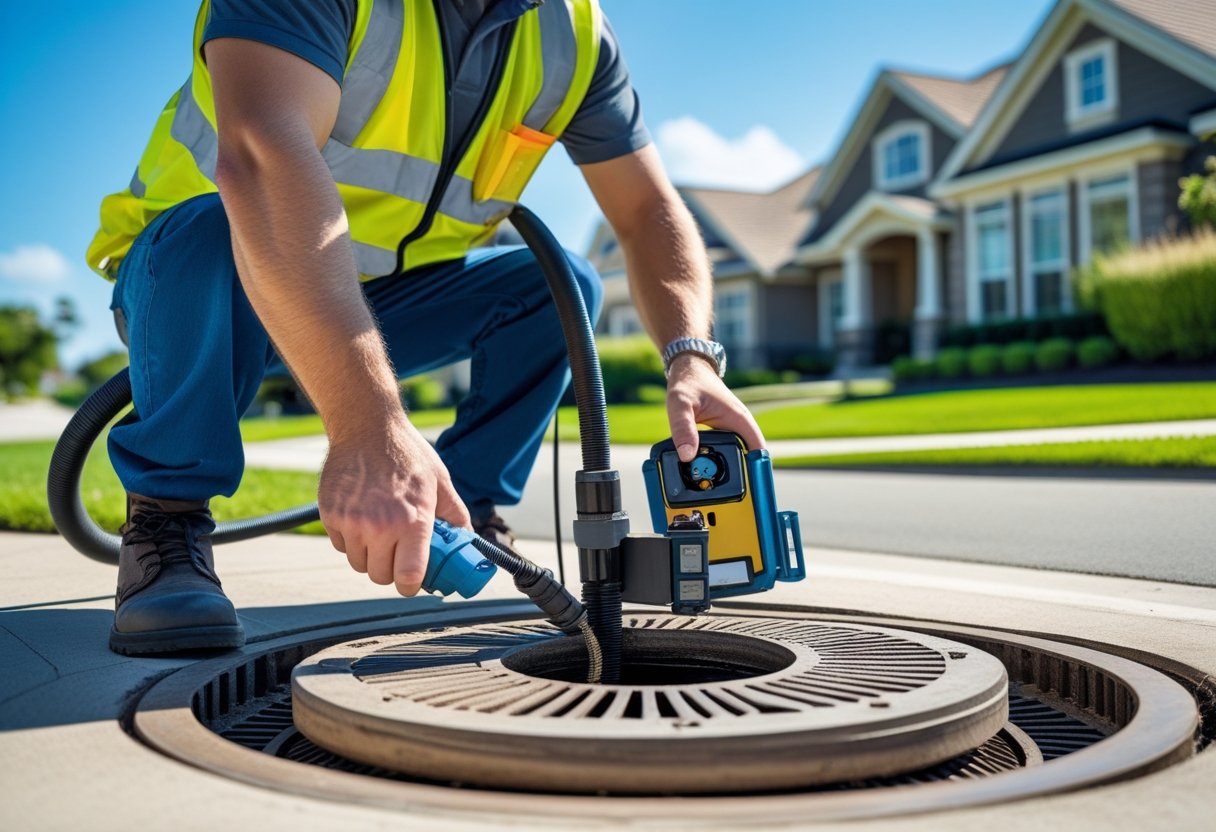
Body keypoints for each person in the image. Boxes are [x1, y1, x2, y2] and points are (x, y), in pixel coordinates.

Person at [88, 0, 765, 656]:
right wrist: (366, 425)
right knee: (214, 227)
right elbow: (262, 162)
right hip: (201, 283)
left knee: (560, 285)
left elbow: (647, 209)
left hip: (384, 304)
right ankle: (165, 526)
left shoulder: (574, 34)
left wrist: (691, 355)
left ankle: (465, 514)